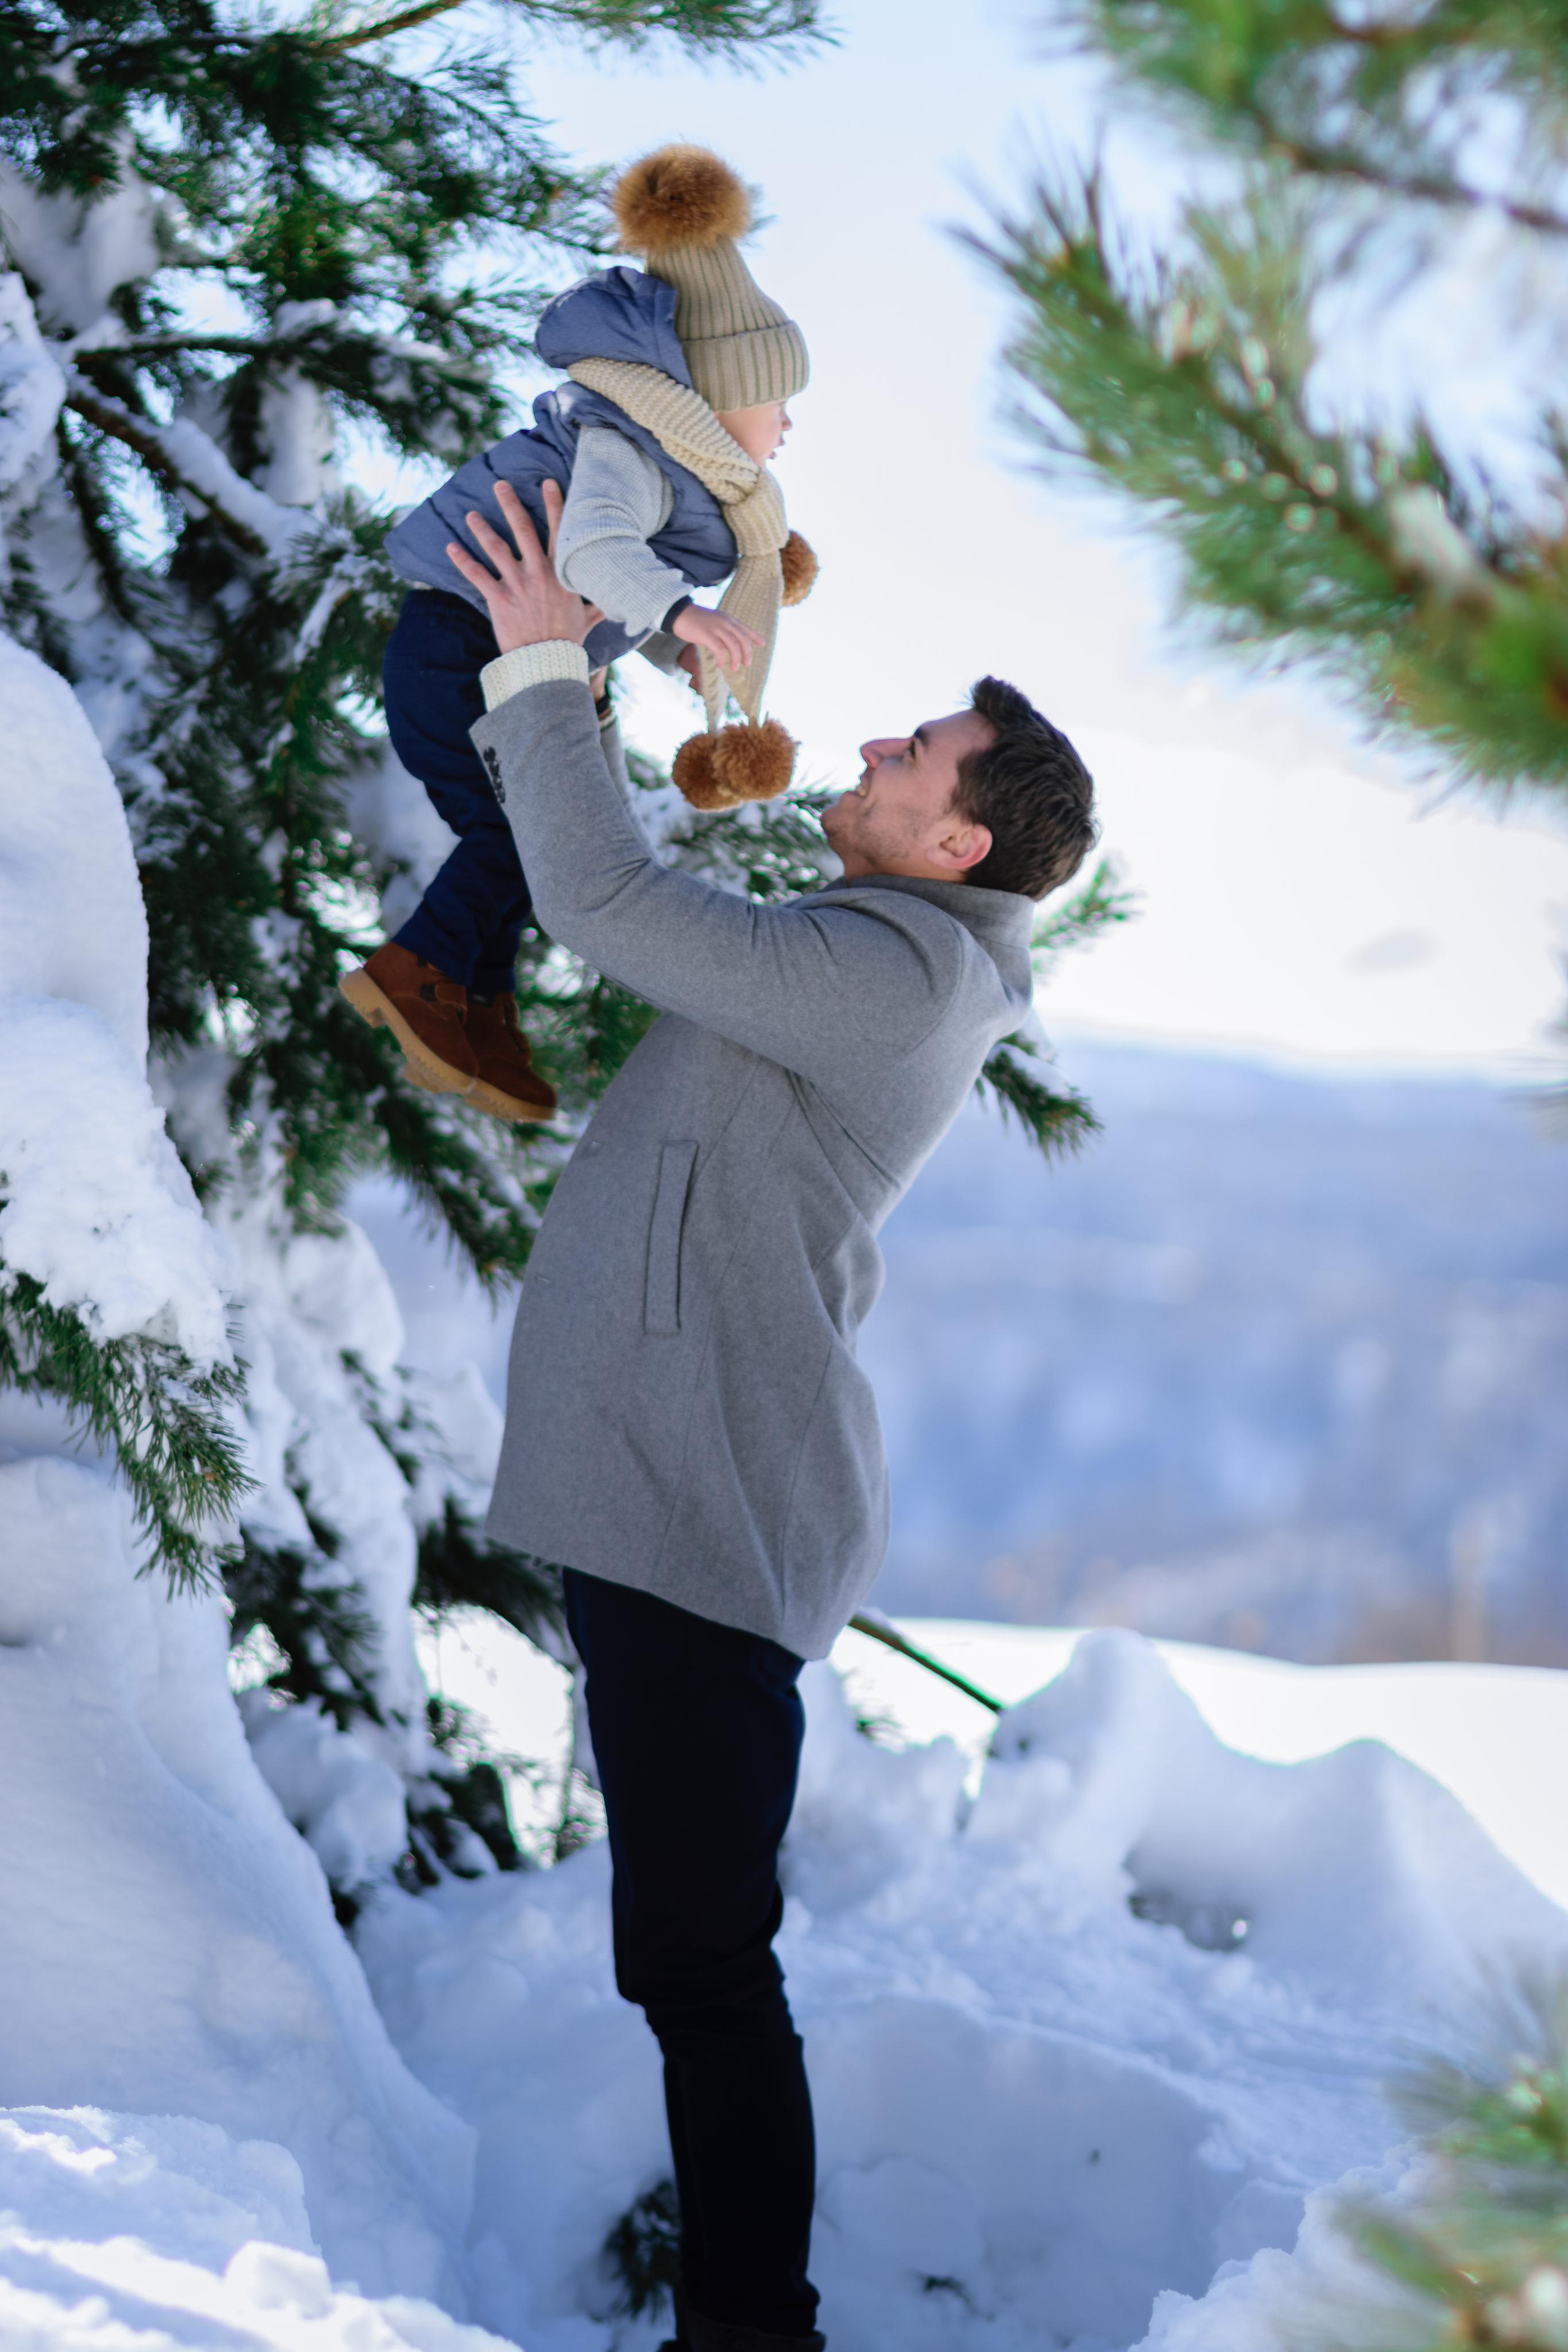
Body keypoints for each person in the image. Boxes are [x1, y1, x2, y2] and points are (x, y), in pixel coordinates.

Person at [448, 478, 1097, 2352]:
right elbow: (656, 903)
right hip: (682, 1497)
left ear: (955, 833)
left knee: (708, 1972)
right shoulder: (868, 953)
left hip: (716, 1516)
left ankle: (755, 2334)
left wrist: (539, 670)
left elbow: (603, 899)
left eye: (916, 751)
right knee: (697, 1963)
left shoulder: (891, 982)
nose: (877, 740)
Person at [339, 144, 816, 1123]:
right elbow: (595, 551)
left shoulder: (668, 466)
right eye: (780, 403)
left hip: (491, 654)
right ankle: (419, 971)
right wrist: (682, 611)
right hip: (456, 647)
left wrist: (672, 646)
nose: (789, 428)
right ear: (717, 403)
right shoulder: (626, 448)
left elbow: (606, 589)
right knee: (516, 835)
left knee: (535, 840)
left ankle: (481, 1004)